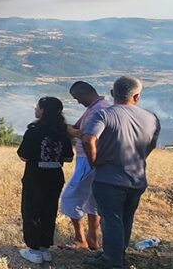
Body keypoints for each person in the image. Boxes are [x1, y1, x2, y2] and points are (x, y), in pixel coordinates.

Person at [82, 76, 161, 269]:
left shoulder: (104, 115)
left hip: (109, 178)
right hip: (137, 178)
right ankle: (117, 255)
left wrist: (94, 161)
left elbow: (88, 139)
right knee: (126, 219)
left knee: (111, 220)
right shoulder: (151, 118)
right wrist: (139, 158)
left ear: (112, 93)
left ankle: (112, 261)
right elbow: (152, 144)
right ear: (137, 96)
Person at [17, 97, 74, 265]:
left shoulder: (34, 130)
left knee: (31, 211)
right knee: (49, 211)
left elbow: (23, 155)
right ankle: (45, 248)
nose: (35, 109)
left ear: (43, 110)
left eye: (38, 107)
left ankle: (33, 250)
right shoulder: (62, 131)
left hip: (35, 176)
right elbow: (69, 157)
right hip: (55, 176)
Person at [61, 81, 110, 250]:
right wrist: (73, 130)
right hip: (91, 158)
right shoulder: (95, 108)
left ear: (84, 93)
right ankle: (92, 239)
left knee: (70, 197)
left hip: (88, 158)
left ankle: (80, 238)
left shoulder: (98, 109)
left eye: (77, 98)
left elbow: (83, 134)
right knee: (92, 200)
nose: (78, 101)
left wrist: (71, 130)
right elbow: (77, 128)